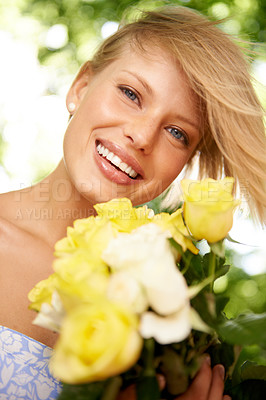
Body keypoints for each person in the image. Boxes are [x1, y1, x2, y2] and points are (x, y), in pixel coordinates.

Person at [0, 4, 265, 400]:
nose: (142, 136)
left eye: (177, 132)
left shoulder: (178, 310)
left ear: (184, 165)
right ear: (81, 86)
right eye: (130, 94)